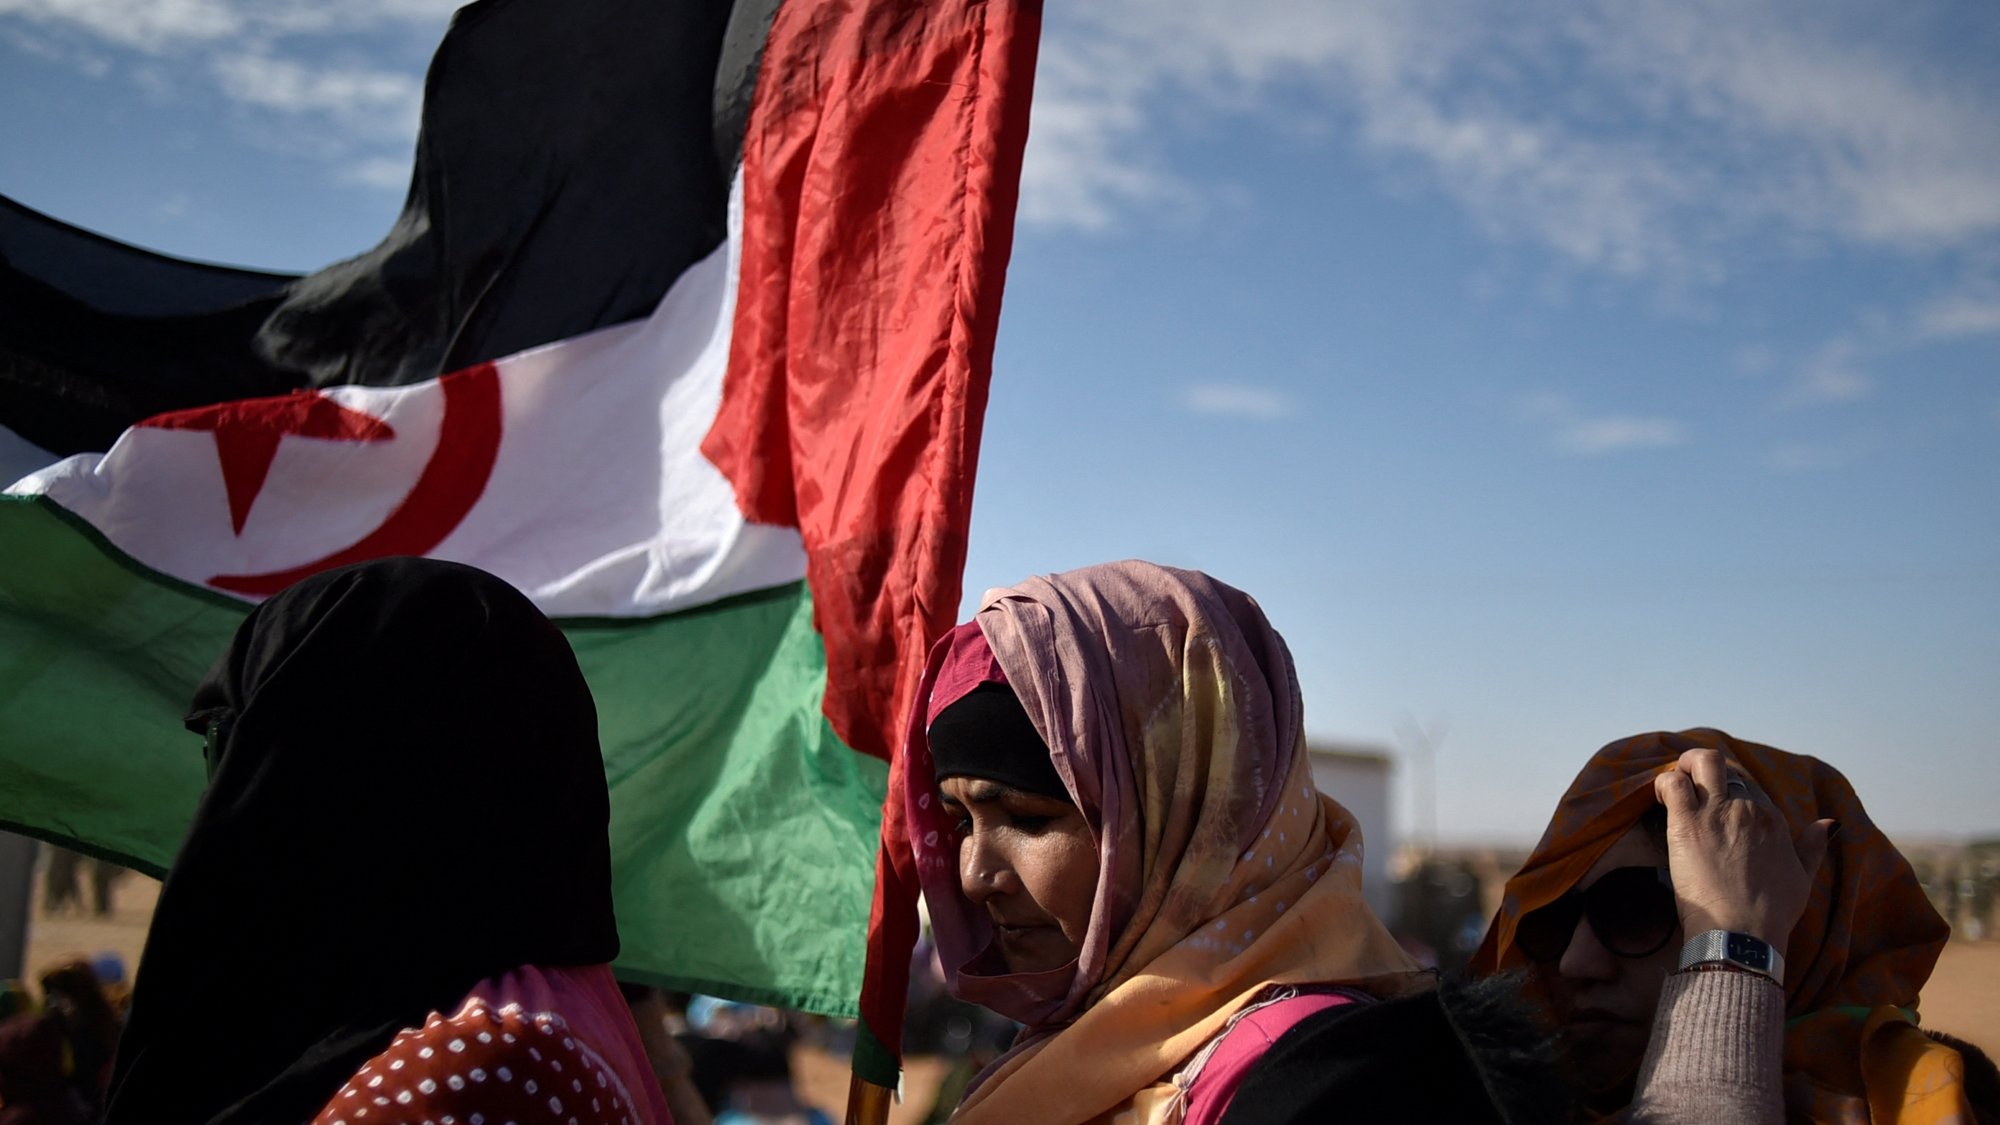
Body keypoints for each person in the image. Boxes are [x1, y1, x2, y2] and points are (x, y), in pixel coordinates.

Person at [902, 561, 1568, 1124]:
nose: (974, 873)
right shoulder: (1077, 1049)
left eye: (1025, 817)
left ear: (1185, 813)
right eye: (962, 822)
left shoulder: (1335, 1084)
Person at [102, 557, 673, 1124]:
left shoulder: (482, 1069)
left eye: (237, 748)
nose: (227, 796)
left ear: (348, 766)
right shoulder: (503, 1022)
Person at [1472, 728, 1994, 1123]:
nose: (1574, 962)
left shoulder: (1925, 1099)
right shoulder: (1492, 1104)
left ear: (1801, 914)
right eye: (1549, 919)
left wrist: (1729, 946)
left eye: (1634, 910)